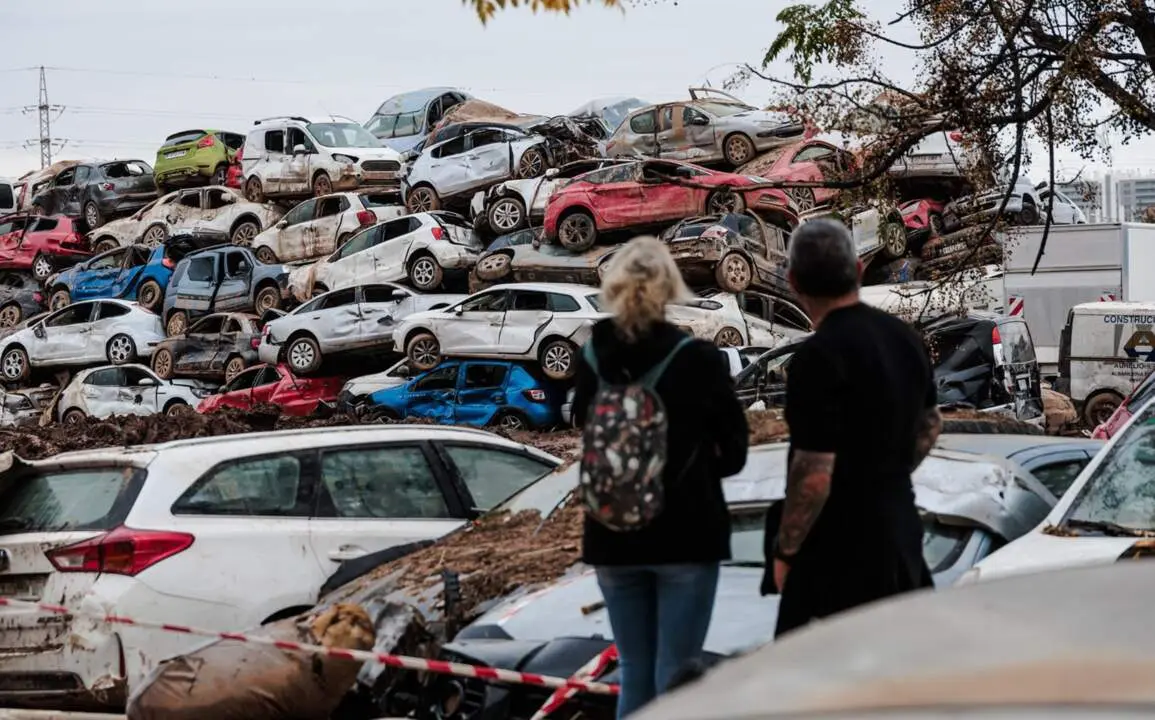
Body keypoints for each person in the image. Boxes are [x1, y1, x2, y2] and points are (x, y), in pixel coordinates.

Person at [572, 236, 749, 718]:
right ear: (671, 286)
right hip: (686, 535)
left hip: (611, 535)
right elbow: (735, 455)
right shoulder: (699, 359)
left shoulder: (592, 356)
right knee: (677, 673)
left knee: (633, 668)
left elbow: (582, 426)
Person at [766, 218, 943, 637]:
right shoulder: (905, 338)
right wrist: (887, 469)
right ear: (859, 271)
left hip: (836, 549)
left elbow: (814, 473)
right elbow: (931, 424)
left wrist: (786, 550)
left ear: (793, 282)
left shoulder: (816, 357)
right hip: (899, 531)